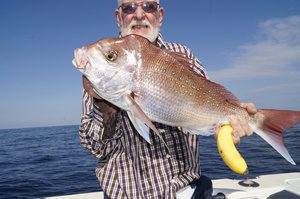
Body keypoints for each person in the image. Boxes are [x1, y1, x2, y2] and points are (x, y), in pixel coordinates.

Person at [79, 0, 257, 198]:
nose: (139, 14)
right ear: (118, 16)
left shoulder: (183, 55)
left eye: (148, 6)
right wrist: (105, 108)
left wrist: (228, 124)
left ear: (160, 15)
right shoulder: (101, 72)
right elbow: (95, 148)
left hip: (186, 192)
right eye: (129, 7)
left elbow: (209, 103)